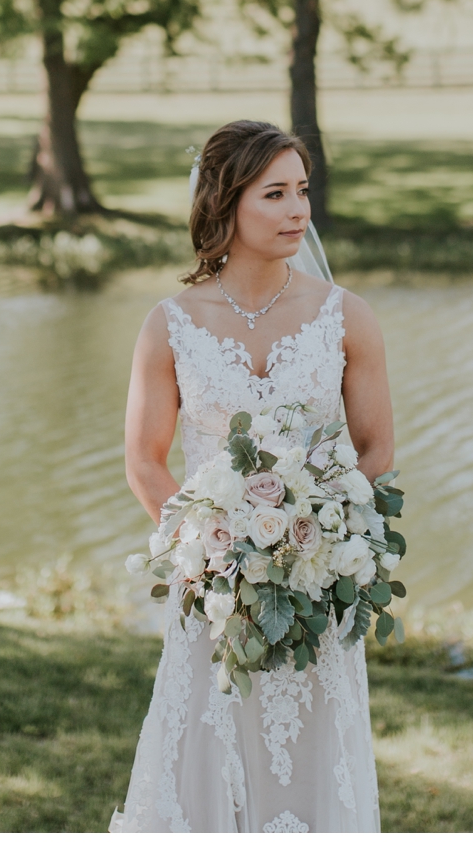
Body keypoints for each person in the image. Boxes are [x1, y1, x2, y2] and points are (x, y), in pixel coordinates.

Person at [111, 120, 394, 833]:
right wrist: (205, 553)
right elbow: (145, 459)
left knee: (312, 753)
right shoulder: (169, 325)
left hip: (315, 586)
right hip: (211, 593)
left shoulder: (347, 317)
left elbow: (375, 448)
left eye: (303, 190)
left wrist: (319, 540)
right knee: (207, 748)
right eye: (275, 193)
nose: (298, 209)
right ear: (226, 201)